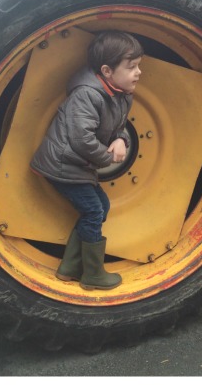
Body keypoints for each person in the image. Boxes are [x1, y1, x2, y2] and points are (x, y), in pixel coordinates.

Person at [31, 30, 143, 291]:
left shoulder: (121, 95)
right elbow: (81, 140)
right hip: (61, 165)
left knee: (100, 207)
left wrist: (122, 141)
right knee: (94, 210)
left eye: (139, 66)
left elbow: (118, 129)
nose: (139, 72)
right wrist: (107, 158)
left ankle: (69, 268)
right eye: (132, 67)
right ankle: (92, 274)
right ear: (107, 71)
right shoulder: (86, 95)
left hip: (77, 165)